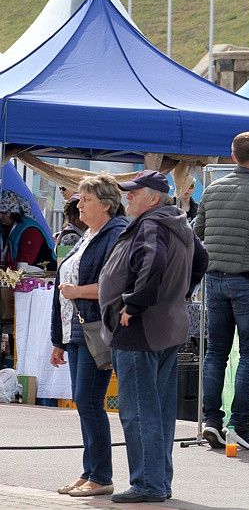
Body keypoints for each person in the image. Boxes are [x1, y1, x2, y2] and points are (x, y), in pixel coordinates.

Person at [98, 170, 207, 504]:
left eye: (134, 193)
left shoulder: (151, 224)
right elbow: (201, 260)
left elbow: (154, 261)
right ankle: (159, 480)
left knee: (139, 410)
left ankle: (148, 483)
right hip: (166, 327)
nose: (128, 197)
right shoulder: (177, 222)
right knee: (157, 409)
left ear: (154, 198)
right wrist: (180, 294)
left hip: (139, 329)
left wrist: (134, 304)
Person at [194, 131, 249, 450]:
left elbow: (197, 232)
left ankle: (211, 421)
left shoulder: (213, 189)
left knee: (216, 352)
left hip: (215, 280)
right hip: (248, 280)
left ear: (232, 156)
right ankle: (240, 425)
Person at [49, 174, 127, 498]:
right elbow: (62, 284)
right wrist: (59, 340)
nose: (79, 204)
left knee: (88, 401)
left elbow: (115, 284)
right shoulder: (89, 233)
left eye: (86, 200)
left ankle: (101, 475)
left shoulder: (115, 233)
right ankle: (90, 472)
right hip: (76, 329)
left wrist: (78, 290)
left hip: (95, 327)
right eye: (80, 199)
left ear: (106, 205)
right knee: (85, 403)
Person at [0, 189, 56, 270]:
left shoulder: (31, 231)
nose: (0, 216)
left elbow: (23, 263)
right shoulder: (6, 228)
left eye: (4, 213)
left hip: (38, 276)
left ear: (14, 212)